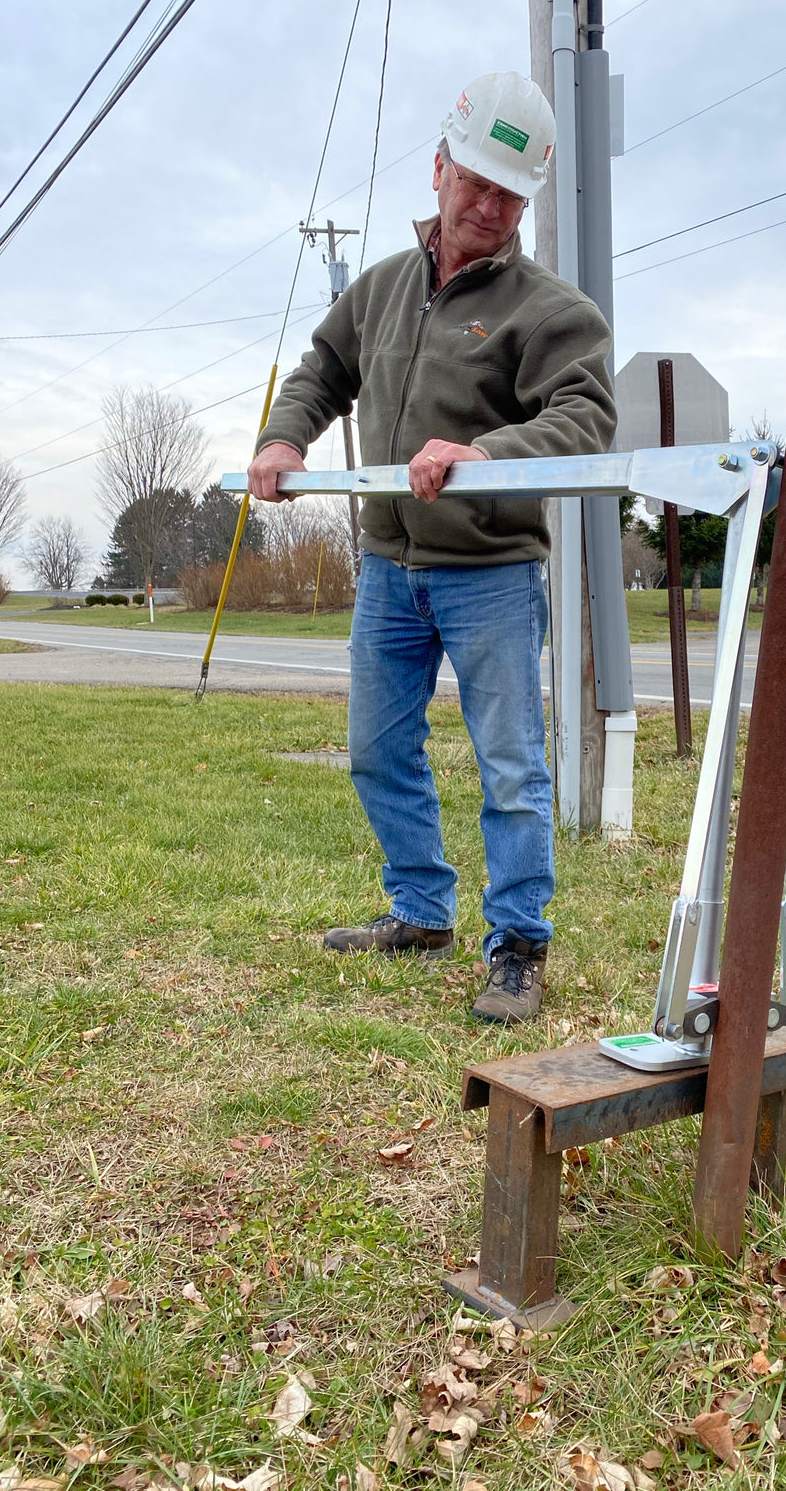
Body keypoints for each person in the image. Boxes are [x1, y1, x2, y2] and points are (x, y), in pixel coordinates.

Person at [247, 71, 616, 1024]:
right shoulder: (378, 291)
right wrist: (287, 437)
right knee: (376, 749)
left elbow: (585, 419)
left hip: (489, 575)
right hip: (386, 571)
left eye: (510, 194)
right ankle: (420, 912)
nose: (490, 208)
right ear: (441, 167)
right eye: (477, 184)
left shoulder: (550, 310)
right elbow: (322, 369)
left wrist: (484, 452)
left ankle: (519, 945)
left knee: (510, 767)